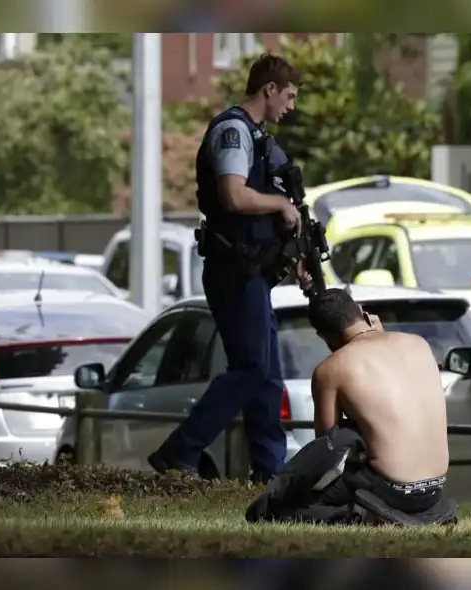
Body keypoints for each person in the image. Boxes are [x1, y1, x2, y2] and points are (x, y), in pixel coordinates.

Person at [148, 53, 312, 483]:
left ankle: (270, 471)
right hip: (233, 269)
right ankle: (180, 451)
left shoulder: (259, 138)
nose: (291, 106)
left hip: (251, 270)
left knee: (268, 373)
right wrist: (279, 203)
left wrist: (295, 254)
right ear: (269, 89)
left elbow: (271, 209)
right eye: (289, 95)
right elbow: (234, 197)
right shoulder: (234, 132)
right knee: (252, 368)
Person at [305, 289, 450, 513]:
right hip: (436, 489)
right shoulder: (419, 344)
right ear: (362, 312)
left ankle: (365, 514)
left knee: (292, 504)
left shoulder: (330, 369)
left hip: (393, 490)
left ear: (322, 335)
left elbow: (327, 447)